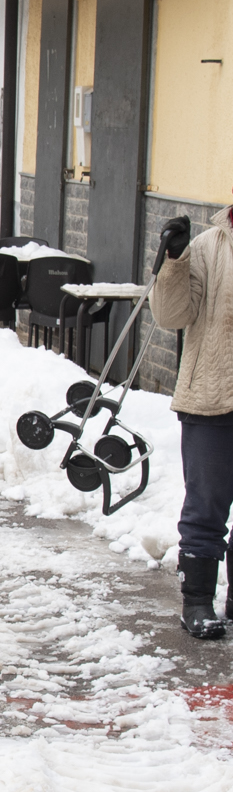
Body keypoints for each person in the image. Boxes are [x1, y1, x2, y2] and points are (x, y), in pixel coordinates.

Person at [150, 204, 233, 640]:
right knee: (206, 507)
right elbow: (170, 317)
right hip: (212, 397)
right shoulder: (208, 247)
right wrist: (174, 262)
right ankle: (197, 603)